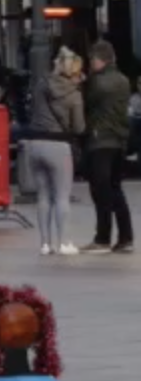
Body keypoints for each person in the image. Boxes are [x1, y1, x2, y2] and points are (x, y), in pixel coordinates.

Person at [25, 46, 85, 256]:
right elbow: (78, 127)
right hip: (59, 145)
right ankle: (63, 243)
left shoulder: (41, 84)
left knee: (43, 196)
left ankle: (44, 244)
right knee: (61, 196)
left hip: (35, 144)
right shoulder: (74, 94)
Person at [83, 41, 133, 253]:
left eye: (92, 60)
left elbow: (87, 103)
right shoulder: (123, 80)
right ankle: (125, 237)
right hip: (119, 140)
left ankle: (102, 238)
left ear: (99, 59)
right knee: (115, 189)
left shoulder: (96, 82)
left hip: (99, 140)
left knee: (100, 190)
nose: (90, 63)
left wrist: (83, 82)